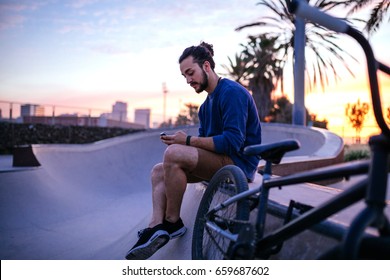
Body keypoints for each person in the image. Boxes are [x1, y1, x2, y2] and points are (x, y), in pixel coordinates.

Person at [125, 41, 262, 260]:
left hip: (238, 166)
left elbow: (233, 142)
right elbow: (205, 142)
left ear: (206, 66)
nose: (188, 80)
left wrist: (186, 140)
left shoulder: (232, 93)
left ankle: (172, 222)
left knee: (174, 153)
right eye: (184, 76)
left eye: (191, 73)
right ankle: (156, 227)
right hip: (219, 161)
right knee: (158, 171)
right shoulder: (205, 106)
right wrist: (184, 141)